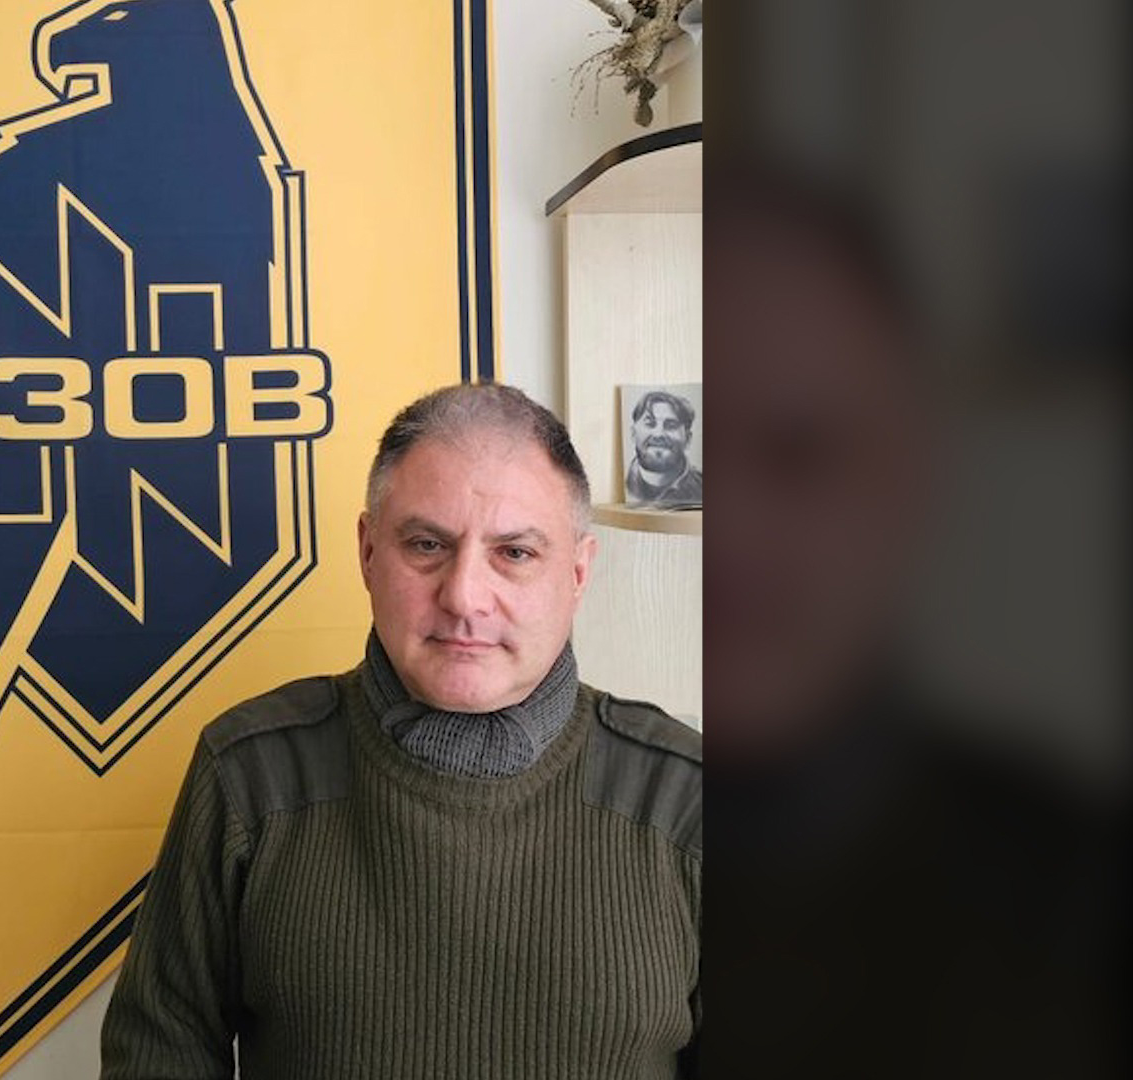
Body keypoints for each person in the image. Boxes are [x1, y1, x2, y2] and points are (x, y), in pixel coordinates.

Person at [99, 382, 702, 1079]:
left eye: (514, 553)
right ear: (367, 551)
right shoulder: (248, 775)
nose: (464, 597)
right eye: (426, 544)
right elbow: (156, 1058)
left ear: (577, 571)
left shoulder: (688, 798)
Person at [625, 389, 704, 507]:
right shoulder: (618, 487)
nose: (659, 434)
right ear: (633, 434)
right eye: (650, 424)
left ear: (687, 438)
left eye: (671, 425)